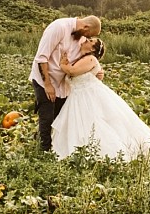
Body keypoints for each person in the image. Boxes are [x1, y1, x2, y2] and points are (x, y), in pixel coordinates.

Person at [51, 38, 150, 161]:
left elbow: (72, 71)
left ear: (92, 49)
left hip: (89, 95)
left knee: (97, 124)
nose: (86, 40)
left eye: (90, 41)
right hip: (77, 97)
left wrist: (62, 65)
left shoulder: (91, 59)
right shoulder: (80, 60)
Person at [29, 15, 102, 152]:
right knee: (47, 116)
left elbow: (86, 58)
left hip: (63, 84)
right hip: (44, 79)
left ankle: (48, 144)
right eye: (88, 35)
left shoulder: (81, 38)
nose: (86, 39)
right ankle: (43, 152)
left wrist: (97, 70)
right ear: (85, 27)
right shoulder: (59, 27)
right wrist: (48, 85)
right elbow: (41, 57)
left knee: (59, 118)